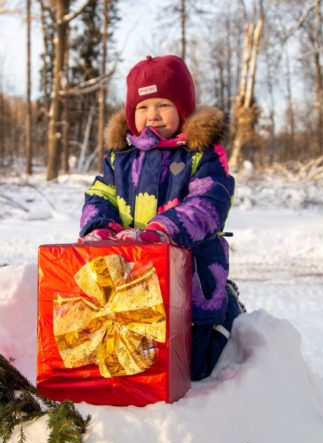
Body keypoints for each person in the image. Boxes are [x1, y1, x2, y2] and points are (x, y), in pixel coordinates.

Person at [79, 55, 244, 381]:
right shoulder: (120, 157)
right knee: (142, 357)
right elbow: (102, 194)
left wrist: (163, 230)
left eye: (162, 105)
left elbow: (208, 202)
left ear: (182, 109)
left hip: (191, 275)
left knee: (194, 366)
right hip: (134, 274)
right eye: (142, 107)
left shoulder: (202, 154)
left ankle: (228, 308)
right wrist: (100, 226)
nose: (152, 115)